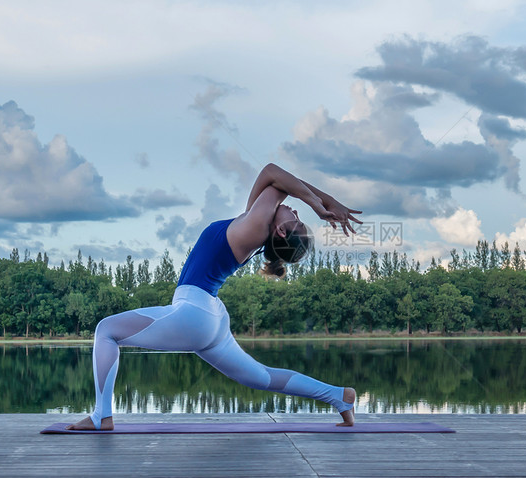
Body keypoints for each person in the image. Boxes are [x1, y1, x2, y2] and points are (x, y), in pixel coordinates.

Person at [67, 163, 363, 430]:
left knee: (105, 330)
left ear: (283, 232)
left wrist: (317, 204)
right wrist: (327, 201)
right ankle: (340, 397)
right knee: (261, 377)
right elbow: (272, 178)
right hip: (210, 317)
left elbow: (275, 175)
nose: (293, 210)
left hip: (194, 312)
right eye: (296, 212)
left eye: (295, 217)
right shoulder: (252, 223)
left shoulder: (256, 226)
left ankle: (101, 416)